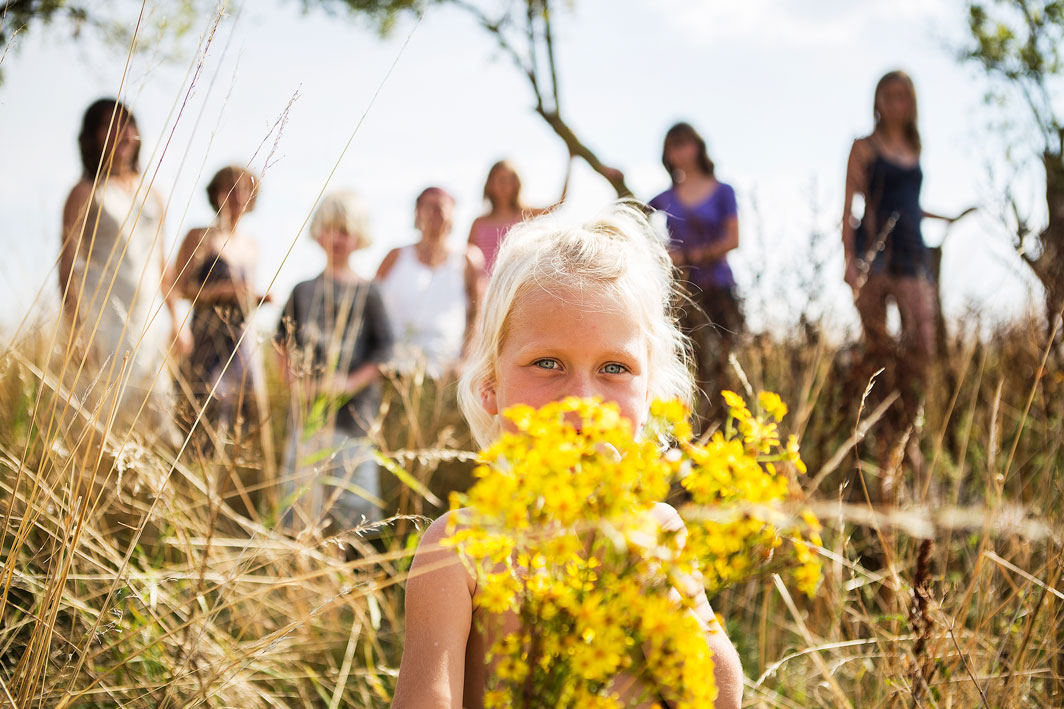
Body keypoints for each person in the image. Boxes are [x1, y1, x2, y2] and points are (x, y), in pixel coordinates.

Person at [391, 204, 744, 708]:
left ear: (650, 400)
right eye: (547, 363)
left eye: (614, 368)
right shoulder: (458, 547)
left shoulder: (659, 530)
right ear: (491, 384)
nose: (581, 400)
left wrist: (648, 572)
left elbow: (716, 697)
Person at [58, 98, 183, 440]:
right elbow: (67, 266)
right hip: (105, 319)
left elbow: (162, 261)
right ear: (93, 136)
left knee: (159, 416)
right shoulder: (84, 193)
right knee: (104, 417)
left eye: (128, 125)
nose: (123, 134)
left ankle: (153, 491)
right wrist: (77, 329)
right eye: (110, 126)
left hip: (150, 320)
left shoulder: (152, 192)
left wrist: (177, 319)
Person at [275, 191, 394, 533]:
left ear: (358, 236)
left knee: (355, 504)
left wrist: (347, 384)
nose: (336, 238)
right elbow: (282, 342)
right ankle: (299, 564)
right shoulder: (302, 290)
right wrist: (295, 382)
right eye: (329, 229)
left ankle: (353, 570)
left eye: (344, 230)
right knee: (300, 497)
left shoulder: (370, 292)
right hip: (308, 416)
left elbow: (384, 353)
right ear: (317, 233)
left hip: (353, 419)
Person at [842, 70, 970, 373]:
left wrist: (945, 217)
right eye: (888, 96)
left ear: (912, 103)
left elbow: (908, 206)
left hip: (912, 251)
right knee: (877, 344)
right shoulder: (863, 146)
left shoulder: (915, 148)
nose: (895, 104)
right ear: (877, 102)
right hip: (874, 252)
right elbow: (848, 208)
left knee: (922, 344)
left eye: (902, 97)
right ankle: (874, 409)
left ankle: (912, 414)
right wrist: (848, 258)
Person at [649, 122, 743, 422]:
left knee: (723, 368)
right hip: (682, 296)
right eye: (673, 146)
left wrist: (689, 255)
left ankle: (723, 431)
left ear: (699, 147)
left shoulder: (723, 191)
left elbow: (733, 239)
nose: (680, 151)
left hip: (719, 292)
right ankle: (688, 435)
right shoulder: (664, 197)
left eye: (685, 143)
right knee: (685, 369)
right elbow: (633, 213)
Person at [172, 165, 267, 432]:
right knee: (205, 406)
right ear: (216, 194)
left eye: (244, 190)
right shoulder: (199, 236)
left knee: (244, 411)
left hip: (242, 340)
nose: (237, 197)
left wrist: (258, 298)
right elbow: (178, 287)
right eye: (231, 190)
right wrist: (220, 292)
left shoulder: (252, 244)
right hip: (207, 337)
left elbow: (247, 294)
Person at [376, 187, 486, 377]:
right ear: (417, 213)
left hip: (447, 370)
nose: (436, 212)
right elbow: (371, 305)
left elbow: (478, 314)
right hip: (395, 370)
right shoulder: (395, 256)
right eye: (428, 206)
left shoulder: (468, 258)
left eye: (441, 206)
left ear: (453, 213)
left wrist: (465, 360)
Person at [467, 158, 571, 274]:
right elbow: (468, 260)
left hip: (512, 286)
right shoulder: (479, 223)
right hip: (484, 290)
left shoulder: (524, 215)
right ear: (490, 184)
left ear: (516, 184)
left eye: (510, 180)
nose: (505, 185)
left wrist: (570, 163)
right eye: (501, 180)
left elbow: (558, 203)